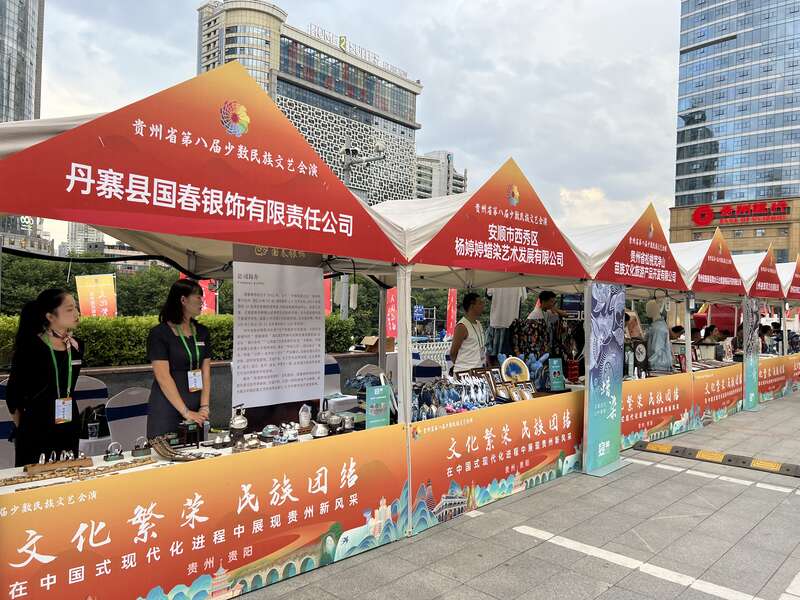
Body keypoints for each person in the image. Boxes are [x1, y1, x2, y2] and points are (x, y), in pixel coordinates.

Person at [6, 289, 83, 467]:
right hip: (37, 425)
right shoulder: (31, 347)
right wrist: (24, 427)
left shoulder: (76, 346)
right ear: (50, 316)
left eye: (76, 308)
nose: (76, 313)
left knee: (68, 473)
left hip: (68, 421)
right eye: (69, 309)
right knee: (36, 478)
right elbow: (13, 394)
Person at [147, 279, 212, 438]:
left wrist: (204, 406)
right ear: (183, 300)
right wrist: (185, 412)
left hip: (196, 407)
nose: (202, 302)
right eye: (198, 297)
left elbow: (206, 371)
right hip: (167, 407)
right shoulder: (159, 333)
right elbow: (162, 376)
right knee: (167, 450)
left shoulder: (202, 332)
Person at [485, 287, 527, 366]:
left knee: (494, 358)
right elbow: (523, 298)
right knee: (510, 359)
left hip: (497, 321)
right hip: (511, 324)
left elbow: (489, 294)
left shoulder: (495, 280)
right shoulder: (520, 283)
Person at [450, 292, 486, 374]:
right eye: (480, 303)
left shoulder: (479, 324)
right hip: (464, 372)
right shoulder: (462, 326)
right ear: (472, 306)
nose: (483, 305)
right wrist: (462, 366)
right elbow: (453, 353)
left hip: (478, 370)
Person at [645, 300, 673, 372]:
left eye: (648, 309)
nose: (646, 312)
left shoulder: (658, 328)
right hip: (661, 365)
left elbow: (657, 351)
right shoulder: (660, 325)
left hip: (658, 367)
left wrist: (649, 364)